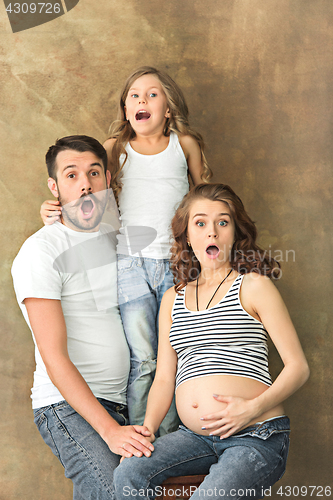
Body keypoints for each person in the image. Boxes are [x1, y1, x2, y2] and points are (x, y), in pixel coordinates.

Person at [40, 67, 212, 435]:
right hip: (130, 266)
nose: (142, 101)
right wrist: (51, 207)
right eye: (134, 95)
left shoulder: (184, 145)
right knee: (144, 358)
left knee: (175, 355)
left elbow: (206, 199)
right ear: (125, 108)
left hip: (177, 265)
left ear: (167, 108)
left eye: (152, 94)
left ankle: (174, 440)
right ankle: (141, 438)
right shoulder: (114, 149)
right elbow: (86, 195)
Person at [113, 183, 310, 500]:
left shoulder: (254, 286)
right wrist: (146, 431)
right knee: (128, 474)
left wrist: (250, 410)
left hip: (256, 434)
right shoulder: (172, 299)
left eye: (223, 222)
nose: (212, 232)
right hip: (195, 438)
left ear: (235, 232)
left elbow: (298, 367)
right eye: (200, 223)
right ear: (187, 236)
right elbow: (164, 377)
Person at [11, 135, 154, 500]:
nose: (85, 183)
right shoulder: (40, 251)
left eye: (93, 172)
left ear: (107, 179)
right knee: (116, 493)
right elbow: (53, 355)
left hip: (125, 401)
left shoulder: (115, 238)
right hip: (67, 406)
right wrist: (109, 431)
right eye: (71, 175)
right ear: (54, 187)